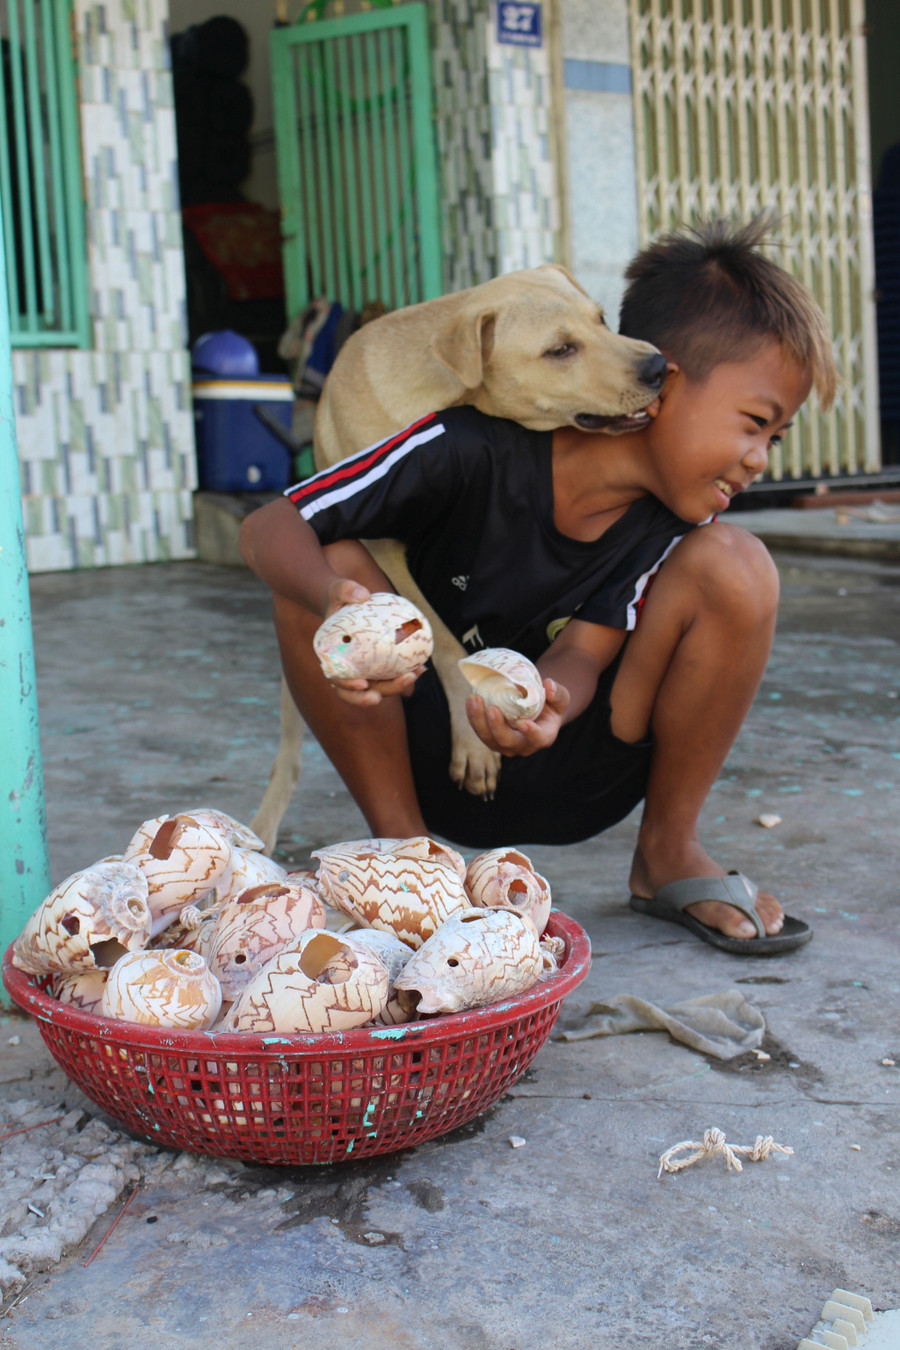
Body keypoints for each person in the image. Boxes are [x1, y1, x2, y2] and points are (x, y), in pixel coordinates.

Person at [239, 217, 836, 955]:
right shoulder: (463, 448)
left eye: (772, 437)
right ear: (660, 375)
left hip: (581, 777)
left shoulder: (667, 530)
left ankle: (668, 850)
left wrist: (544, 704)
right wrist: (338, 602)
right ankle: (409, 869)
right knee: (321, 561)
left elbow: (583, 656)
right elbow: (271, 526)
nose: (760, 459)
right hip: (426, 759)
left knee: (738, 565)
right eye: (755, 424)